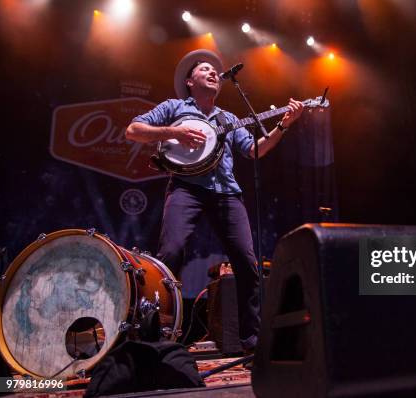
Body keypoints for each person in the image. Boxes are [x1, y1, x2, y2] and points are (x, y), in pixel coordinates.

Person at [125, 49, 304, 353]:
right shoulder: (175, 107)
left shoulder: (229, 118)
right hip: (186, 187)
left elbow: (255, 151)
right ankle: (159, 337)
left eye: (214, 72)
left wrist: (284, 124)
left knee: (248, 264)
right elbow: (133, 130)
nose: (212, 73)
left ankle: (252, 342)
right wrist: (175, 132)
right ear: (189, 81)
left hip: (227, 193)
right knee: (171, 254)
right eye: (204, 69)